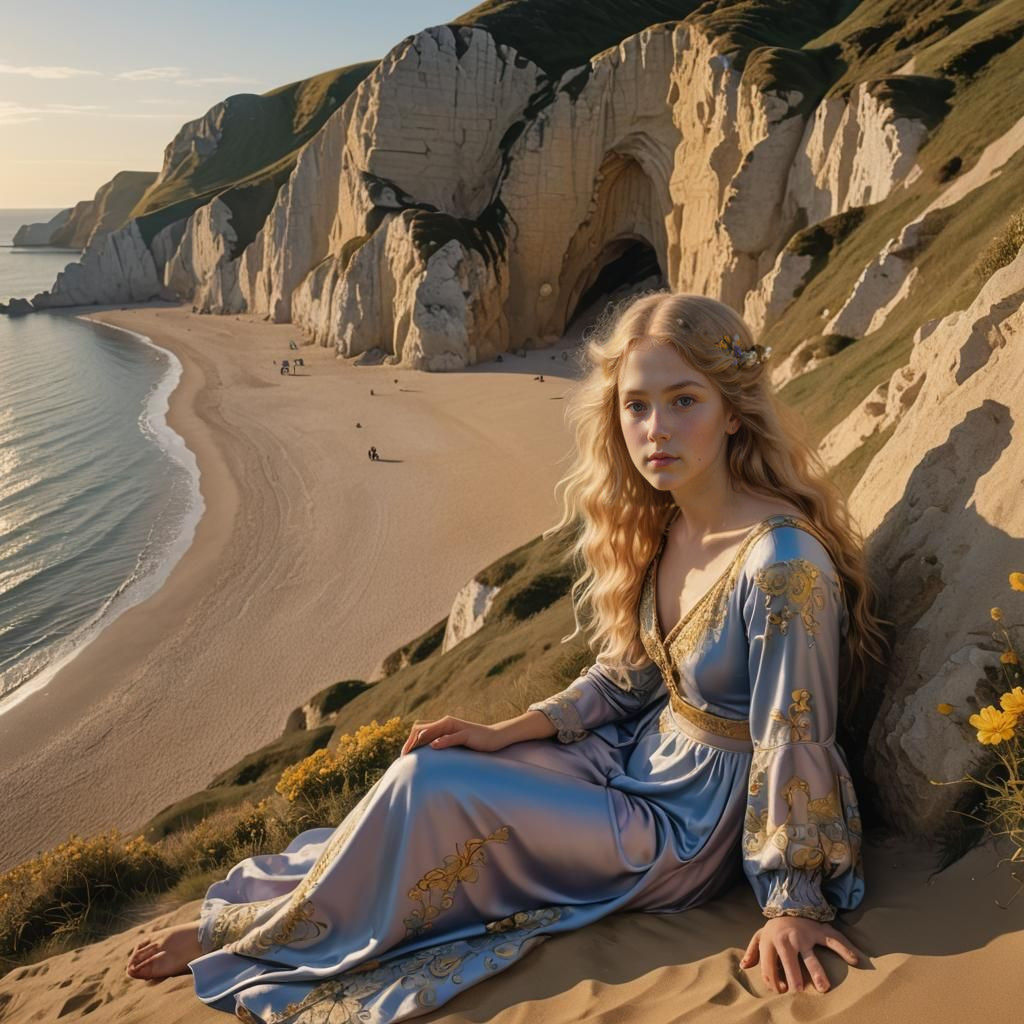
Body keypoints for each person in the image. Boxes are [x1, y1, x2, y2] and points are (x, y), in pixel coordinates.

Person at [125, 291, 887, 1020]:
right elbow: (629, 679)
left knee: (433, 787)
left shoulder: (780, 565)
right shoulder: (672, 523)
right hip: (631, 758)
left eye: (684, 400)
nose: (655, 427)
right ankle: (297, 904)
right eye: (637, 404)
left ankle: (263, 936)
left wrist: (794, 901)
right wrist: (508, 731)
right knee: (431, 771)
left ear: (731, 412)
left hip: (687, 825)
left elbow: (797, 736)